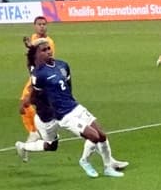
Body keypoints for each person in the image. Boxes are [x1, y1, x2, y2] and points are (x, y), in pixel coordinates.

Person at [18, 41, 128, 177]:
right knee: (60, 143)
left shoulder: (62, 65)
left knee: (102, 135)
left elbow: (68, 87)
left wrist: (69, 101)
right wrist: (26, 103)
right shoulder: (38, 74)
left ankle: (108, 166)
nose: (48, 51)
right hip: (61, 115)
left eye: (49, 48)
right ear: (37, 55)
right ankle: (84, 161)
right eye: (44, 50)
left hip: (74, 106)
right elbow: (36, 94)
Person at [17, 16, 53, 146]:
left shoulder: (48, 42)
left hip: (41, 77)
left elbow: (47, 60)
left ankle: (35, 132)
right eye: (39, 24)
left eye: (44, 24)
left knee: (25, 102)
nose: (42, 26)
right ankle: (40, 131)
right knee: (36, 104)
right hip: (34, 76)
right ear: (35, 26)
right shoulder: (33, 38)